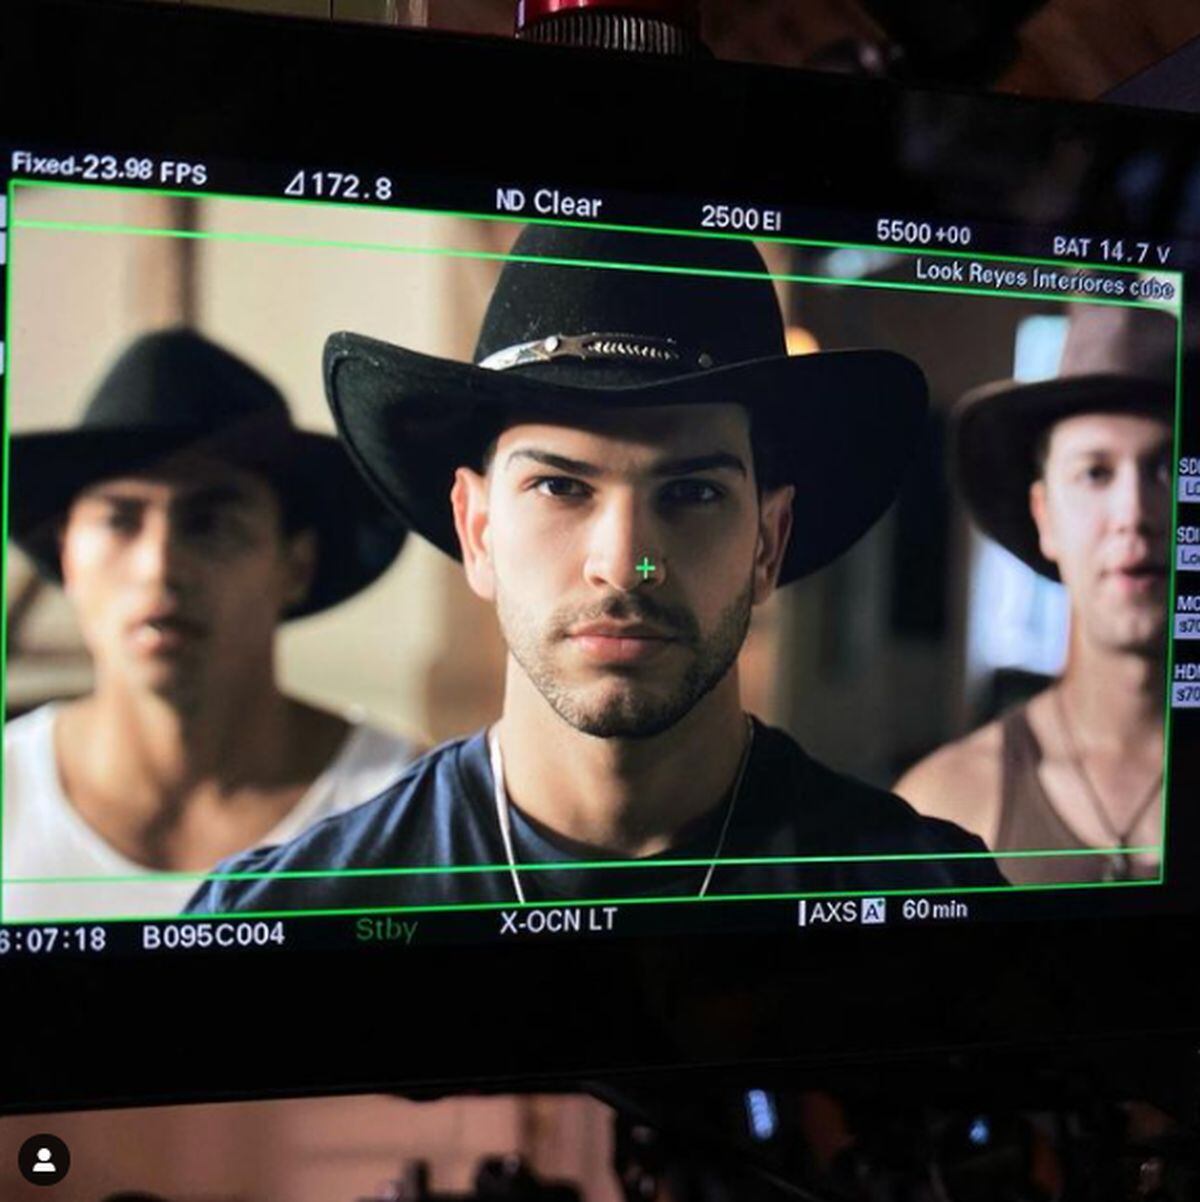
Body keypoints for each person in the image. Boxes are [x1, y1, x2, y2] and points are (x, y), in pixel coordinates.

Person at [187, 226, 1004, 914]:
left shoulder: (922, 899)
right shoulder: (296, 915)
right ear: (476, 530)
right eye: (560, 486)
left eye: (690, 491)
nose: (624, 565)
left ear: (767, 542)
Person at [4, 329, 419, 919]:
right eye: (121, 520)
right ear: (66, 554)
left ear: (295, 566)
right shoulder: (10, 794)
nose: (160, 567)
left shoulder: (406, 811)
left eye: (210, 522)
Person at [895, 304, 1176, 884]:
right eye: (1095, 473)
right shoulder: (946, 804)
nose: (1135, 515)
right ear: (1044, 516)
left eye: (1167, 467)